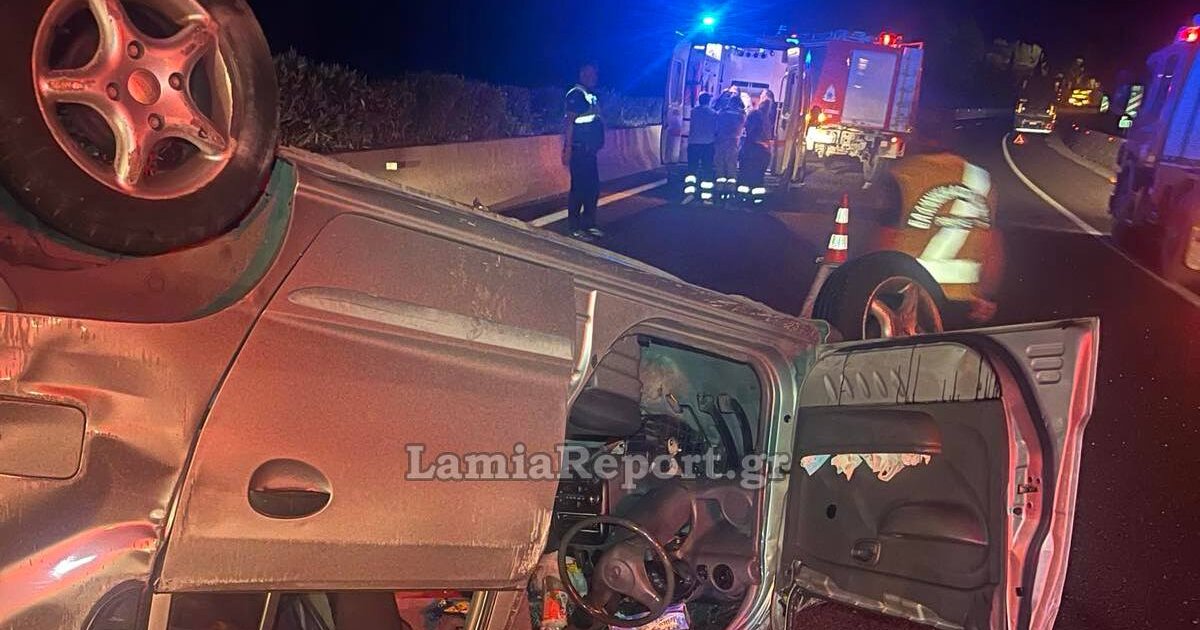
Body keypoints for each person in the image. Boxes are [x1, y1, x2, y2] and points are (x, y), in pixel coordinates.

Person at [872, 130, 1004, 323]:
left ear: (917, 136)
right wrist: (987, 296)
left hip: (908, 298)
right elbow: (992, 246)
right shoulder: (982, 179)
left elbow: (885, 242)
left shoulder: (903, 174)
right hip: (964, 304)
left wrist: (873, 290)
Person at [563, 63, 605, 239]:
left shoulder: (590, 96)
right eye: (590, 74)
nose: (594, 77)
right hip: (579, 150)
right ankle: (574, 228)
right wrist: (567, 148)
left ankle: (589, 224)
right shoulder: (576, 95)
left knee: (592, 189)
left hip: (590, 152)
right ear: (582, 75)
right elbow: (569, 123)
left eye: (595, 74)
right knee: (579, 190)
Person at [738, 91, 773, 206]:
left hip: (751, 151)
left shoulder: (755, 115)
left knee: (746, 175)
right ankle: (756, 201)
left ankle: (742, 199)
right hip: (761, 152)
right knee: (758, 178)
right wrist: (764, 144)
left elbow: (750, 133)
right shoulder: (766, 119)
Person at [713, 92, 746, 201]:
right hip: (733, 144)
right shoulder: (741, 116)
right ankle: (730, 190)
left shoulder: (723, 113)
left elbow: (716, 123)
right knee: (731, 167)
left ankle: (719, 189)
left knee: (720, 166)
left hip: (721, 142)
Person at [684, 92, 717, 198]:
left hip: (693, 143)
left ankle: (689, 192)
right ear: (709, 101)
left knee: (692, 168)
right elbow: (716, 129)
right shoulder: (713, 113)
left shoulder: (693, 112)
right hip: (707, 145)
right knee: (707, 169)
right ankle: (706, 195)